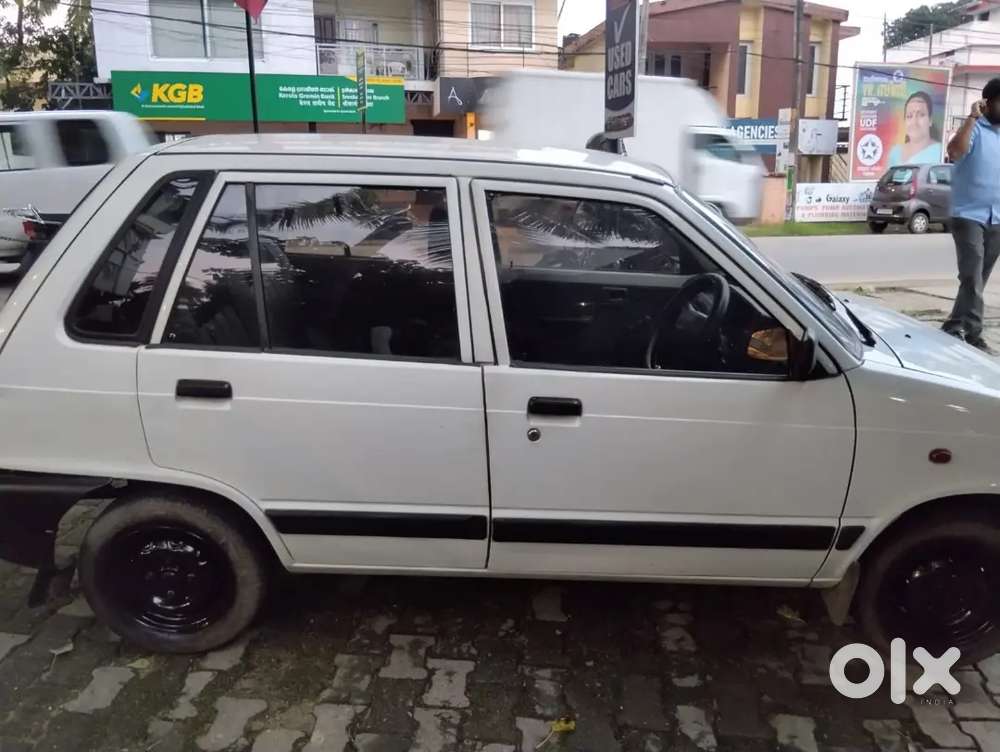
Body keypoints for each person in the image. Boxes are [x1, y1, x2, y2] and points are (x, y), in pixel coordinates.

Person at [941, 78, 1000, 353]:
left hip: (997, 218)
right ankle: (974, 333)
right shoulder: (974, 128)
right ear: (988, 102)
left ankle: (954, 325)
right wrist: (971, 118)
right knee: (972, 277)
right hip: (968, 215)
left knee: (977, 280)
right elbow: (954, 152)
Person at [887, 91, 942, 166]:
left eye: (921, 115)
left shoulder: (940, 151)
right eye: (909, 116)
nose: (914, 122)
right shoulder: (895, 152)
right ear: (904, 121)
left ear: (930, 120)